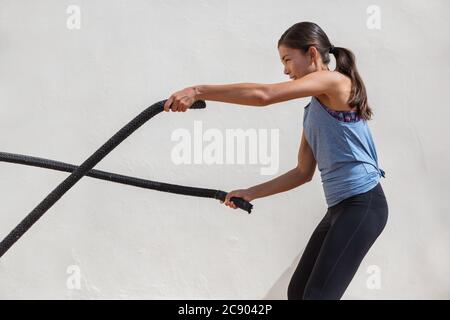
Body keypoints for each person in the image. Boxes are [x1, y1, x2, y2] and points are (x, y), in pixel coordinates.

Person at [164, 21, 388, 300]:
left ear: (312, 54)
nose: (285, 70)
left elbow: (264, 96)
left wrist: (198, 90)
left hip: (363, 204)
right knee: (297, 293)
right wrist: (251, 192)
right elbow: (303, 172)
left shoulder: (336, 82)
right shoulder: (314, 109)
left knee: (317, 296)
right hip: (341, 208)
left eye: (287, 60)